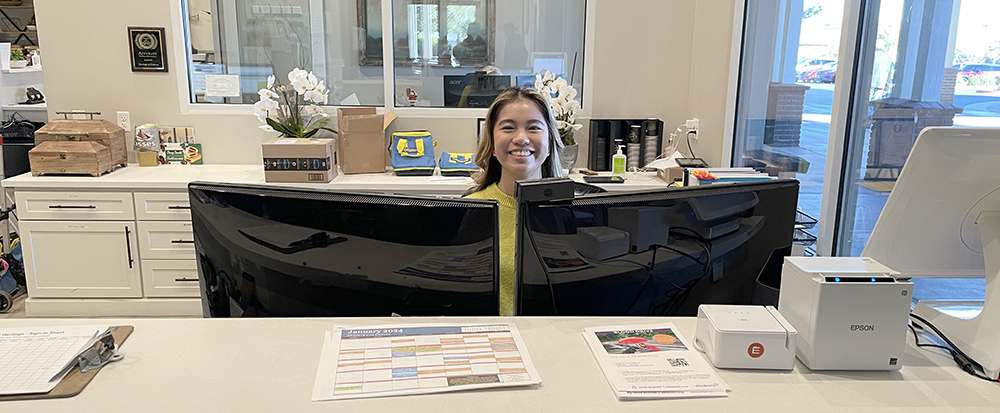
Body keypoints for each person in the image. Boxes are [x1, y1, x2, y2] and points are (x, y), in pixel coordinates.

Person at [465, 87, 566, 316]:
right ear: (491, 143)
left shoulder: (571, 212)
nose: (521, 138)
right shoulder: (471, 210)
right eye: (508, 128)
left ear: (550, 143)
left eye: (533, 128)